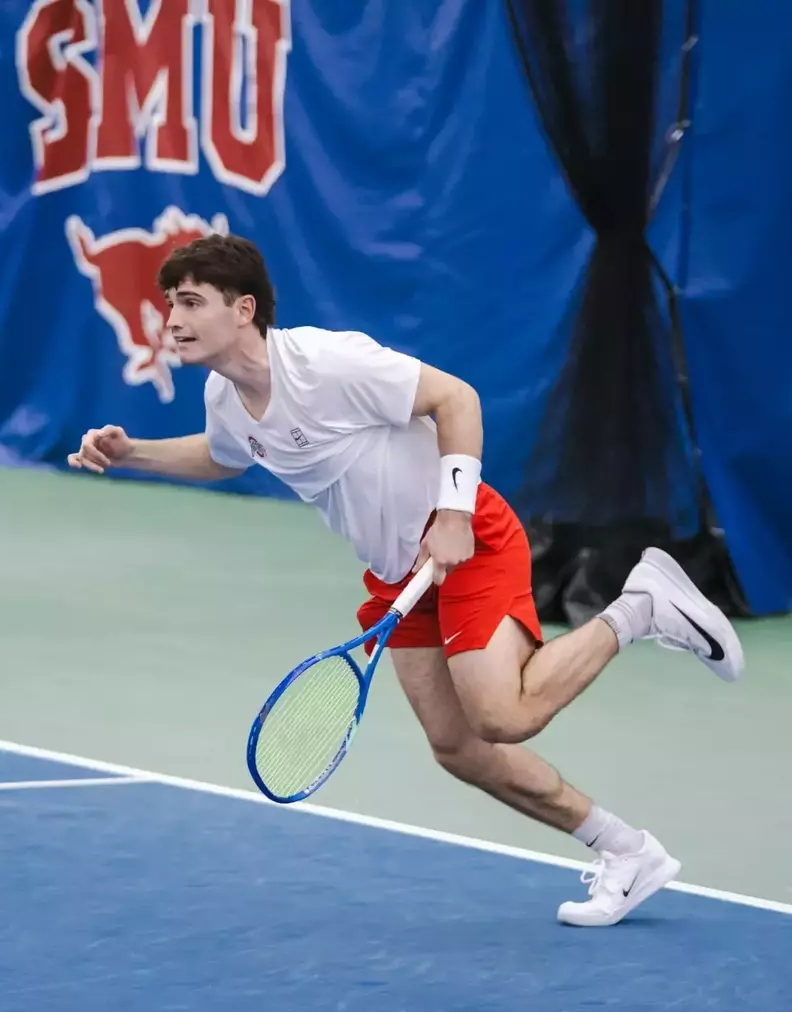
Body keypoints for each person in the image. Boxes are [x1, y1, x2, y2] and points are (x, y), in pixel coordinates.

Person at [67, 233, 744, 926]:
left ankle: (641, 606)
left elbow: (456, 398)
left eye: (189, 303)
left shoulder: (327, 364)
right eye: (169, 304)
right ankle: (626, 852)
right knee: (458, 748)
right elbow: (223, 456)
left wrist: (452, 512)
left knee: (501, 716)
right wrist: (132, 454)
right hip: (400, 574)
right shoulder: (226, 398)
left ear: (243, 310)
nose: (172, 319)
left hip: (467, 536)